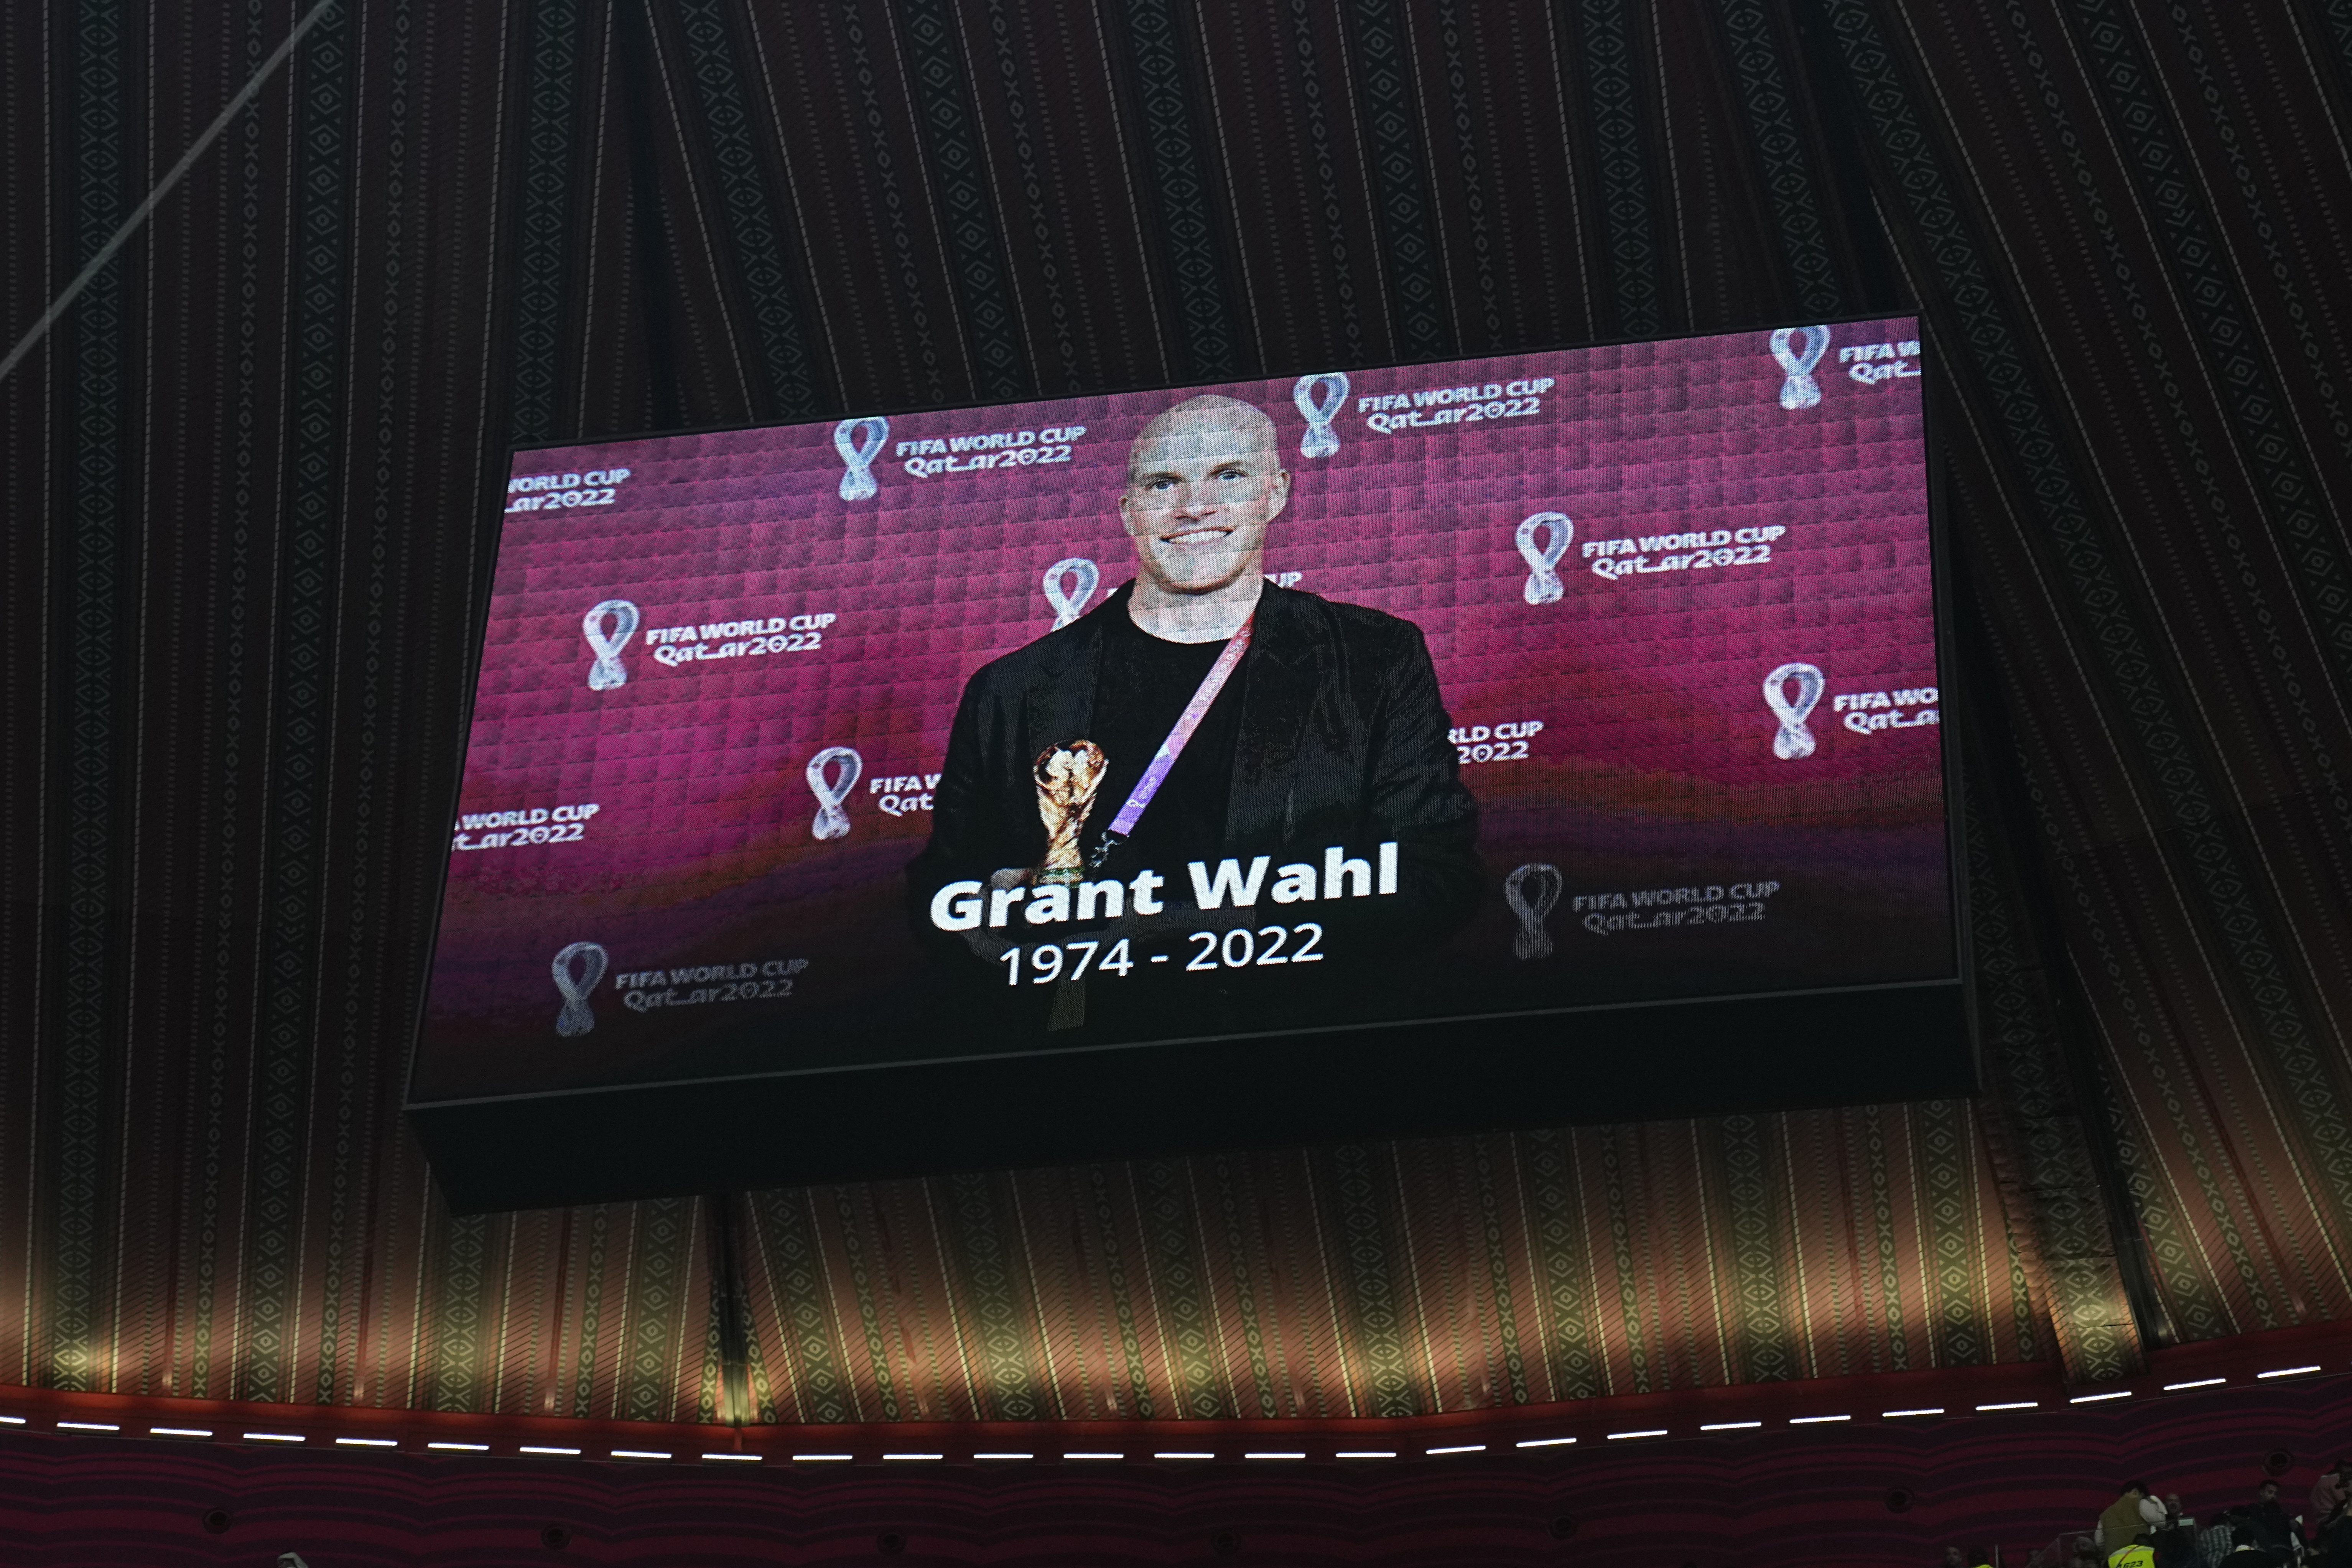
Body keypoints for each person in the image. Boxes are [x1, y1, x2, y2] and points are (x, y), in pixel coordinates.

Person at [910, 394, 1480, 1033]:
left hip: (1305, 1037)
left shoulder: (1372, 657)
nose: (1193, 507)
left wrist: (1200, 920)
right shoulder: (1012, 688)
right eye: (1164, 483)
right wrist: (990, 910)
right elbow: (939, 897)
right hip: (1084, 1046)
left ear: (1276, 492)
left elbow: (1435, 878)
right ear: (1129, 511)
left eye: (1228, 475)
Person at [2099, 1482, 2161, 1554]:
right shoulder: (2141, 1504)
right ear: (2136, 1493)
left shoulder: (2106, 1513)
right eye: (2143, 1496)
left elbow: (2099, 1541)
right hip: (2139, 1556)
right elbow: (2160, 1521)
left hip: (2115, 1559)